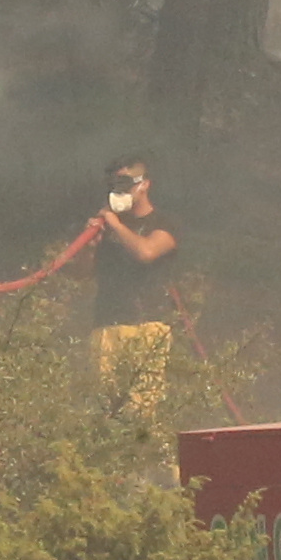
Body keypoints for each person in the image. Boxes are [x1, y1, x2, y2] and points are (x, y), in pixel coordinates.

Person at [84, 158, 180, 419]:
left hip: (146, 326)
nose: (119, 190)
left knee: (141, 411)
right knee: (103, 410)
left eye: (125, 183)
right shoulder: (107, 229)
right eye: (114, 184)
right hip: (105, 327)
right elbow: (85, 274)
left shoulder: (163, 224)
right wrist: (91, 244)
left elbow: (146, 252)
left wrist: (115, 224)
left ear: (144, 185)